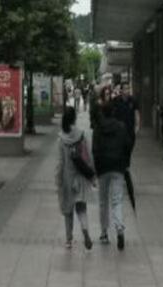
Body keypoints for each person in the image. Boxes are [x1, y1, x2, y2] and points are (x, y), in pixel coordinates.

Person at [91, 100, 132, 250]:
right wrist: (125, 163)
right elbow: (127, 145)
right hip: (118, 167)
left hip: (103, 168)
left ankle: (104, 233)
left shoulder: (98, 128)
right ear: (113, 112)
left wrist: (95, 169)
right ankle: (119, 229)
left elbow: (94, 149)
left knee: (103, 201)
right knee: (117, 200)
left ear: (102, 112)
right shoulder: (121, 127)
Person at [56, 106, 94, 250]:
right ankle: (85, 232)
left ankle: (68, 240)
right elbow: (88, 156)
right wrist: (92, 174)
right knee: (81, 208)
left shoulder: (61, 138)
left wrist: (58, 179)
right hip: (81, 177)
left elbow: (60, 162)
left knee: (68, 210)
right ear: (74, 119)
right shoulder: (82, 135)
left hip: (67, 178)